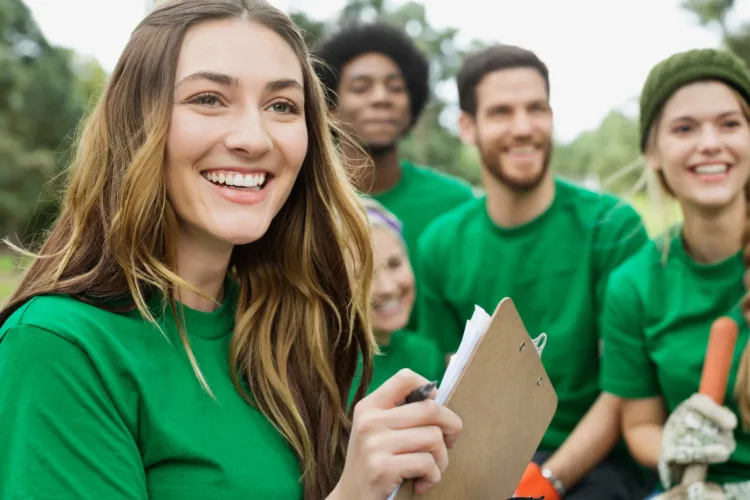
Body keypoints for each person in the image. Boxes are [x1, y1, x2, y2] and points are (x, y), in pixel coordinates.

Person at [0, 1, 463, 499]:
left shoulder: (294, 328)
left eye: (282, 106)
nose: (253, 138)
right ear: (135, 123)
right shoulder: (59, 347)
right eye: (209, 98)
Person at [416, 43, 651, 499]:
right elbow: (451, 379)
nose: (523, 128)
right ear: (468, 126)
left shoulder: (613, 227)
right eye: (502, 112)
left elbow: (625, 387)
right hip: (485, 461)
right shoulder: (440, 244)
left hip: (593, 462)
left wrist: (547, 480)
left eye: (536, 109)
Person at [600, 48, 750, 499]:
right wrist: (675, 447)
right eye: (685, 129)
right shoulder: (633, 285)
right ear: (653, 152)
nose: (709, 143)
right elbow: (640, 424)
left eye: (729, 124)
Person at [313, 22, 476, 330]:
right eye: (361, 88)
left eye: (396, 87)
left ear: (410, 104)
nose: (381, 98)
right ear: (330, 108)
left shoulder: (456, 203)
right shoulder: (304, 202)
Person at [347, 197, 446, 407]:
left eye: (394, 264)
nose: (387, 288)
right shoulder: (324, 375)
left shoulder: (426, 355)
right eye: (365, 276)